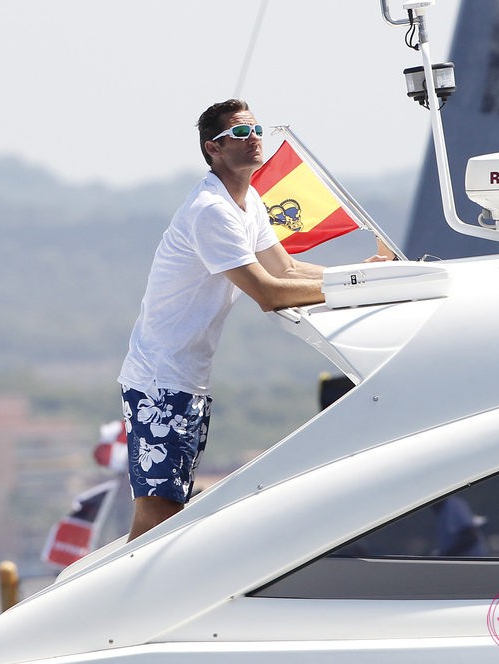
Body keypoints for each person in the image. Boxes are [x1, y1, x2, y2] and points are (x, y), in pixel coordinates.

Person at [118, 99, 388, 541]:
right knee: (159, 512)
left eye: (257, 129)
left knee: (167, 506)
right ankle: (127, 604)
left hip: (185, 377)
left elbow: (286, 270)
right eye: (241, 134)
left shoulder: (249, 200)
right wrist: (363, 288)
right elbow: (268, 293)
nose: (255, 138)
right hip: (159, 379)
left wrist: (362, 273)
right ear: (214, 149)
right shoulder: (211, 210)